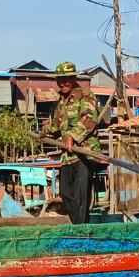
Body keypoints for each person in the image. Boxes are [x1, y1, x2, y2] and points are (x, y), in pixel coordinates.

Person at [44, 61, 100, 225]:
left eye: (67, 79)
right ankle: (79, 226)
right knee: (66, 194)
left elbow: (90, 119)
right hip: (68, 156)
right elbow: (56, 125)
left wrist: (72, 137)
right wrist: (44, 131)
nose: (63, 83)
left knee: (80, 196)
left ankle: (82, 229)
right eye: (60, 80)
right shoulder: (62, 101)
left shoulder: (86, 94)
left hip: (84, 153)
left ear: (74, 78)